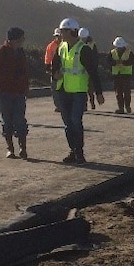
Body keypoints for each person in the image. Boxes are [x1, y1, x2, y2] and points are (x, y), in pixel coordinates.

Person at [49, 17, 104, 164]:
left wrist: (98, 93)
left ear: (72, 31)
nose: (61, 33)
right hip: (63, 89)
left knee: (75, 121)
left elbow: (93, 72)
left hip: (78, 92)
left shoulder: (83, 49)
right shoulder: (61, 47)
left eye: (63, 31)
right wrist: (55, 75)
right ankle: (73, 151)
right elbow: (54, 67)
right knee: (68, 123)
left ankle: (79, 152)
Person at [0, 27, 31, 159]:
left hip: (19, 92)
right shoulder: (0, 52)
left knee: (20, 120)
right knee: (7, 121)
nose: (23, 40)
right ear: (15, 39)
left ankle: (23, 148)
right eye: (21, 38)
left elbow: (25, 71)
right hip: (4, 92)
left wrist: (26, 87)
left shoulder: (21, 52)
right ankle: (10, 148)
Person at [107, 36, 134, 114]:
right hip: (117, 75)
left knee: (126, 92)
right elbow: (108, 62)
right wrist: (115, 63)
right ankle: (121, 108)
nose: (119, 49)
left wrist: (123, 62)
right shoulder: (112, 52)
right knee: (118, 93)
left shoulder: (129, 52)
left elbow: (132, 61)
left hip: (126, 75)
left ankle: (127, 106)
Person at [78, 28, 104, 110]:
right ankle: (85, 105)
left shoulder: (90, 45)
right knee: (84, 88)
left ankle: (92, 103)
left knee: (90, 88)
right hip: (83, 70)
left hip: (89, 69)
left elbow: (95, 58)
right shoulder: (83, 45)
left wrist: (93, 68)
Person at [44, 27, 62, 112]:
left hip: (63, 69)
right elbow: (48, 57)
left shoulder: (65, 45)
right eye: (57, 36)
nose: (59, 37)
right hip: (54, 69)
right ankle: (58, 105)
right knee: (55, 89)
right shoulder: (51, 46)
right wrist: (48, 67)